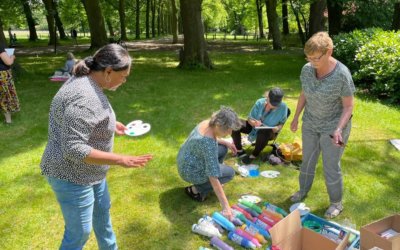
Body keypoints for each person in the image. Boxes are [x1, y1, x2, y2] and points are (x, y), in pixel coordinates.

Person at [40, 44, 153, 249]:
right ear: (108, 71)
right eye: (124, 76)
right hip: (70, 174)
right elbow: (74, 148)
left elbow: (90, 119)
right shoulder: (84, 98)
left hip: (92, 172)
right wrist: (121, 159)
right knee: (79, 233)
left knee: (103, 220)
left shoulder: (89, 80)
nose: (125, 80)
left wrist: (109, 125)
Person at [289, 32, 355, 219]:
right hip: (310, 122)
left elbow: (349, 106)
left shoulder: (342, 74)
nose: (312, 62)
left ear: (329, 52)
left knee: (330, 166)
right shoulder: (307, 69)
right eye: (309, 57)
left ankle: (336, 203)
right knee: (307, 160)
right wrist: (296, 117)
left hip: (334, 127)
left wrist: (339, 129)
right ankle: (302, 191)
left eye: (316, 58)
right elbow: (304, 93)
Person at [177, 106, 241, 220]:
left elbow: (212, 140)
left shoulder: (207, 123)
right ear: (219, 126)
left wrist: (225, 142)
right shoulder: (208, 144)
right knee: (230, 173)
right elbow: (213, 177)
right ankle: (196, 190)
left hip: (185, 159)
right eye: (228, 129)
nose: (230, 132)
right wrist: (226, 207)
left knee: (223, 148)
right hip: (189, 171)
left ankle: (211, 180)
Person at [231, 87, 288, 164]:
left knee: (264, 130)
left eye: (277, 104)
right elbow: (249, 119)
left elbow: (281, 123)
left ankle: (254, 154)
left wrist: (277, 128)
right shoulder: (260, 102)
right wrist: (254, 123)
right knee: (235, 123)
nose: (275, 106)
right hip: (254, 127)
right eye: (273, 104)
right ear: (268, 98)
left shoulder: (283, 107)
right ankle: (239, 150)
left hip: (269, 132)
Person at [0, 43, 20, 124]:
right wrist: (12, 57)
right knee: (5, 96)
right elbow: (8, 62)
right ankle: (8, 121)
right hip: (2, 75)